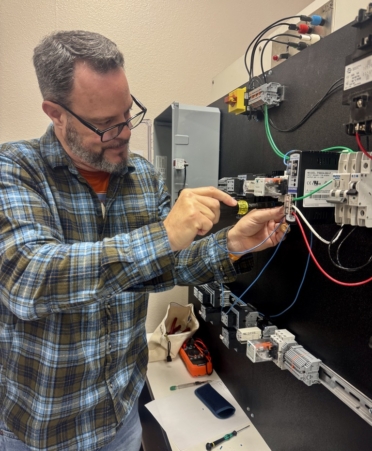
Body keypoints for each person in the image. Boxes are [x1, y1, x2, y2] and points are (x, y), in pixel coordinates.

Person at [0, 30, 286, 451]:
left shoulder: (141, 177)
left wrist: (231, 245)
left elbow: (172, 263)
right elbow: (29, 278)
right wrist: (164, 234)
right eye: (103, 125)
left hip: (120, 418)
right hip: (42, 430)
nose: (123, 132)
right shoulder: (15, 168)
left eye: (127, 114)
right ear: (55, 113)